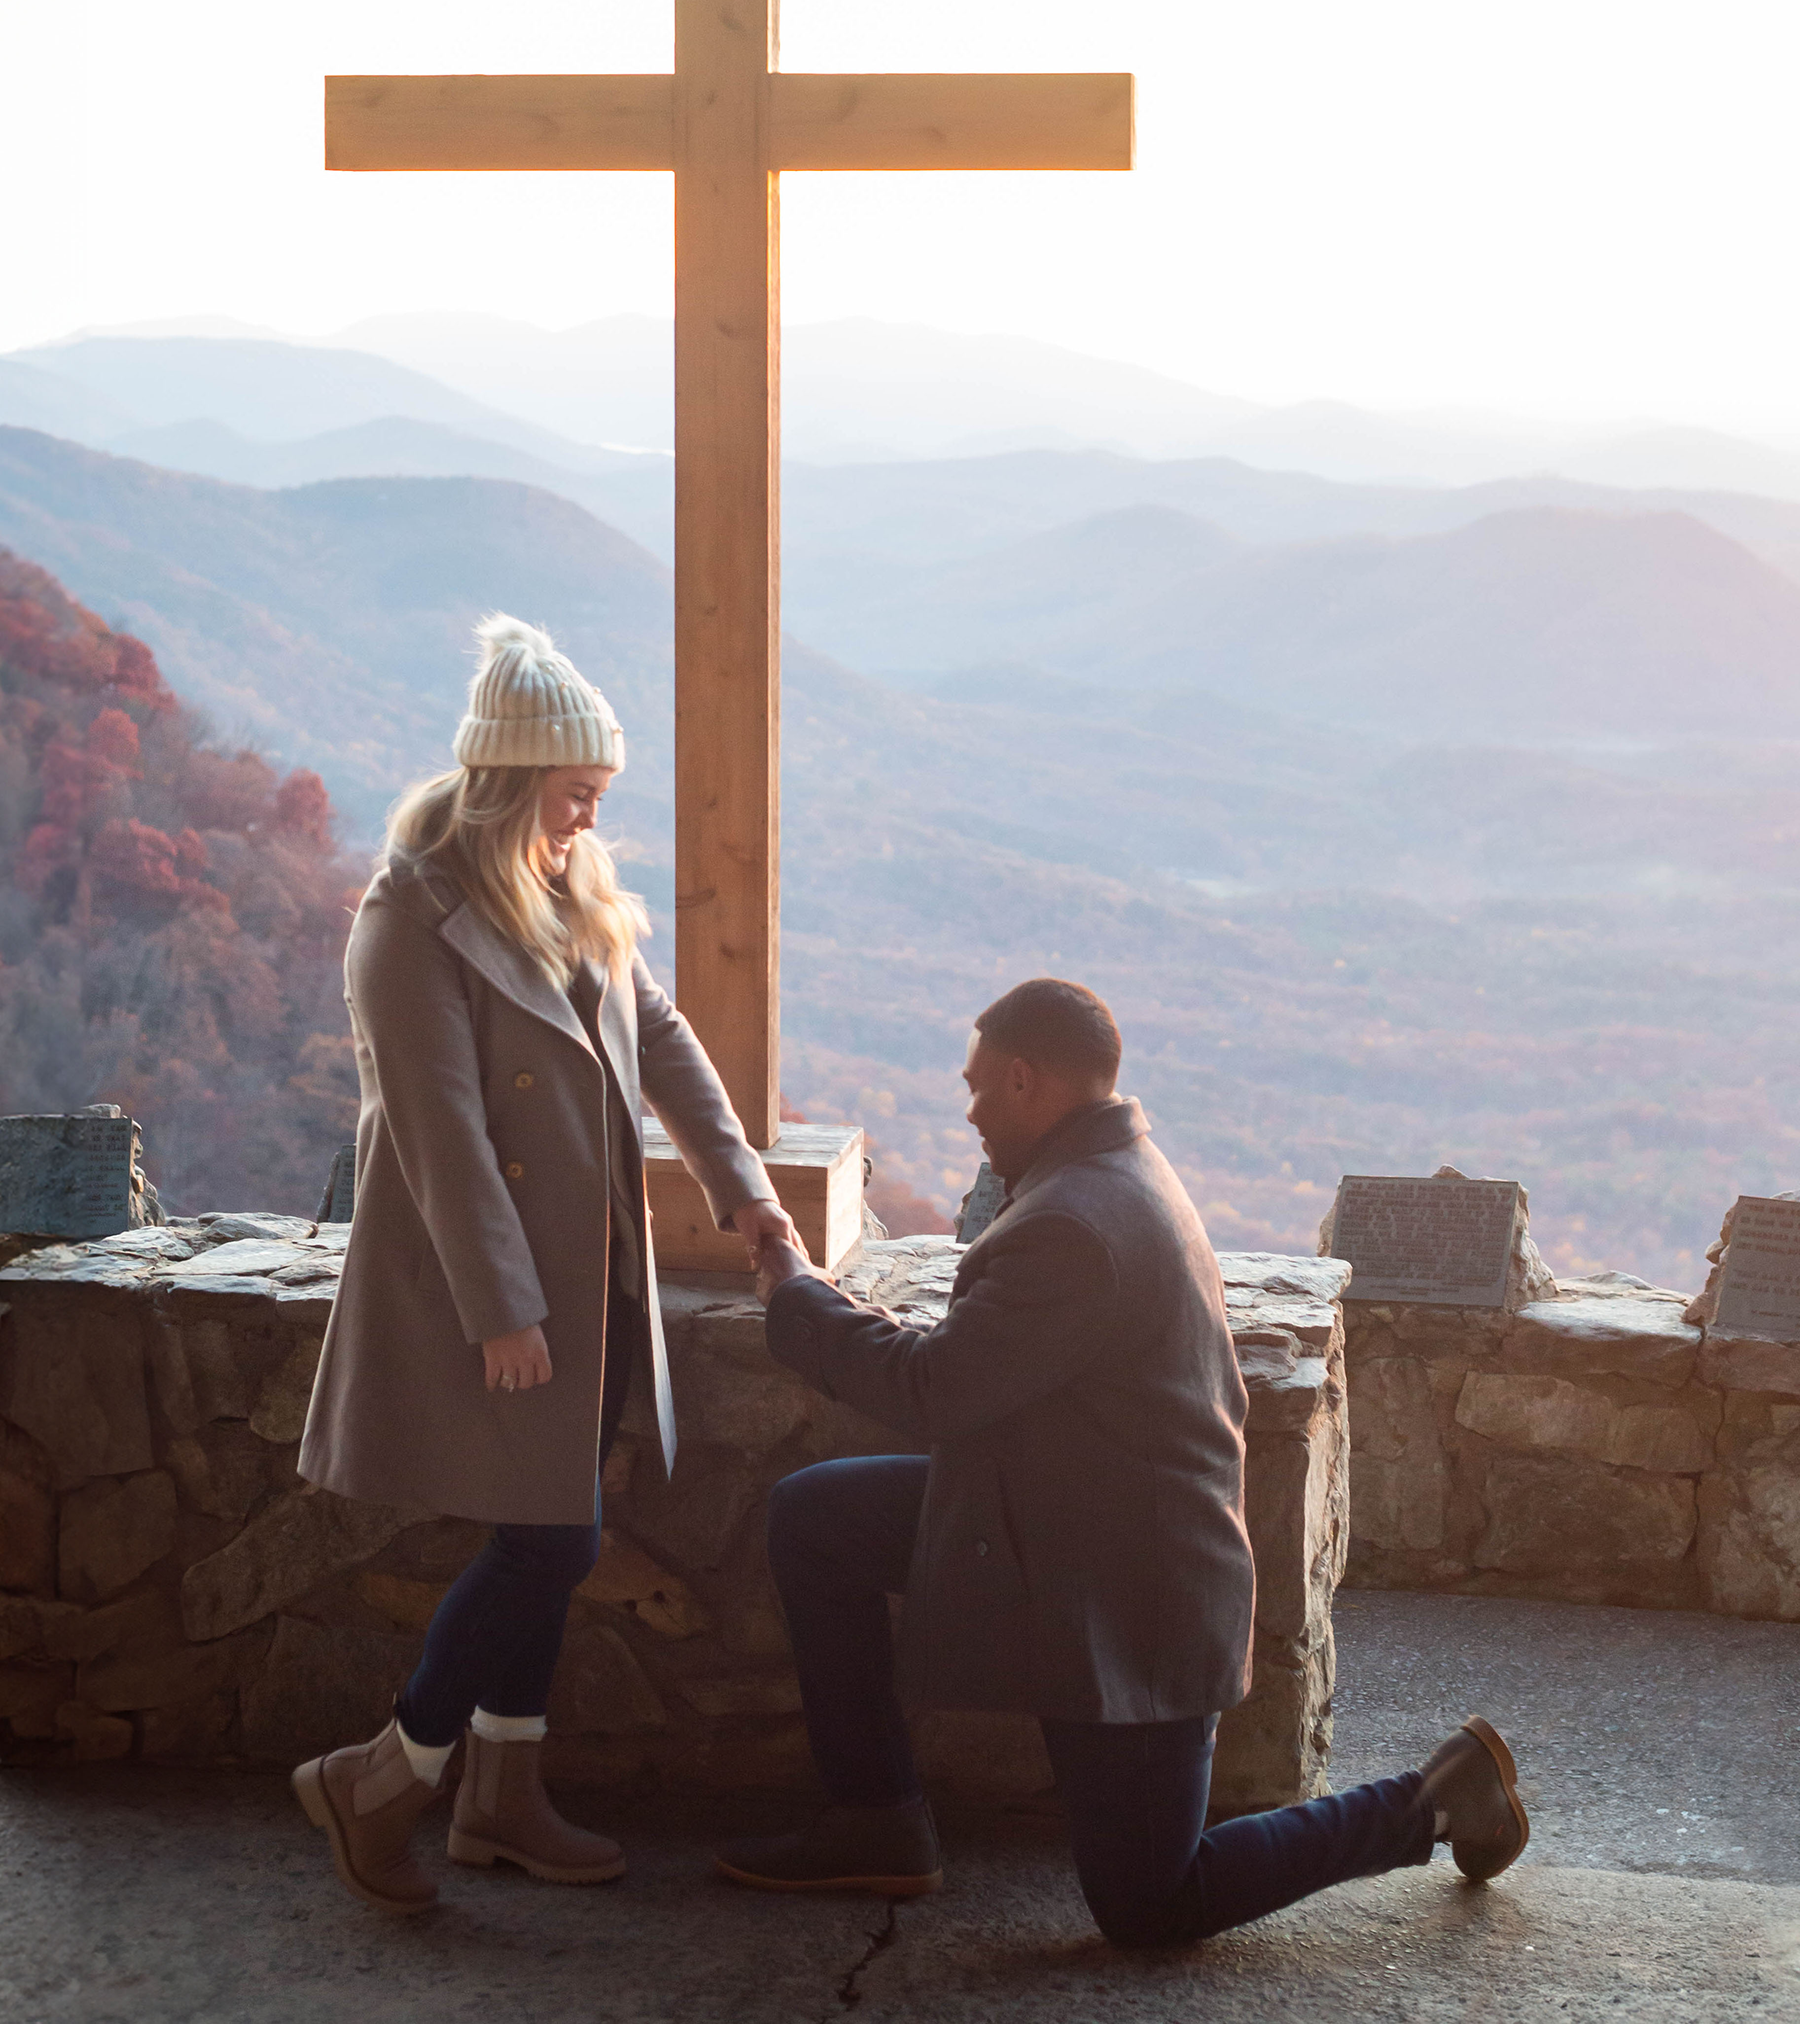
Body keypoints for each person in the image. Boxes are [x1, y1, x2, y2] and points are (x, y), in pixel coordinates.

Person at [720, 976, 1529, 1949]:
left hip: (1132, 1592)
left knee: (1154, 1901)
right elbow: (978, 1357)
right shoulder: (1106, 1171)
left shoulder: (1074, 1223)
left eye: (979, 1088)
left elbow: (933, 1389)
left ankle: (1436, 1798)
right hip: (1059, 1524)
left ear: (1027, 1080)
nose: (969, 1109)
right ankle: (877, 1814)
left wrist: (795, 1295)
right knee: (817, 1519)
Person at [292, 614, 796, 1913]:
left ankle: (500, 1806)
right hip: (502, 1295)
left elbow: (664, 1036)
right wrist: (504, 1310)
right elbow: (440, 1133)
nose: (589, 819)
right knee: (549, 1544)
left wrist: (747, 1192)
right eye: (576, 795)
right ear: (515, 780)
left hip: (599, 1278)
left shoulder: (567, 888)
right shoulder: (410, 918)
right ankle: (385, 1776)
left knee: (550, 1534)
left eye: (598, 798)